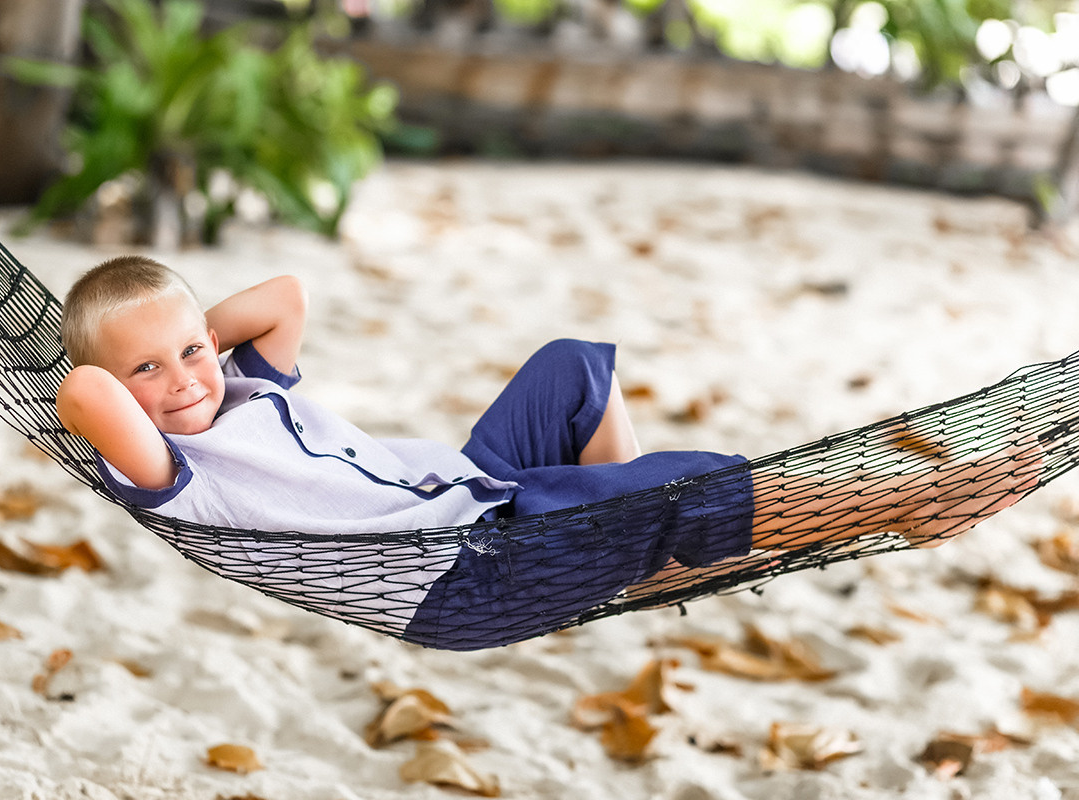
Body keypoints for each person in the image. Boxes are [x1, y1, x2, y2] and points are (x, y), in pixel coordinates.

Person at [55, 256, 1042, 648]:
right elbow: (82, 390)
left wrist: (187, 338)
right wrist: (126, 362)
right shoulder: (179, 474)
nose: (184, 379)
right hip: (457, 575)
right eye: (150, 371)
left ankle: (635, 551)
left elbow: (284, 292)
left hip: (483, 501)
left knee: (569, 370)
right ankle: (912, 500)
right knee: (682, 488)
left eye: (190, 350)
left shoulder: (237, 384)